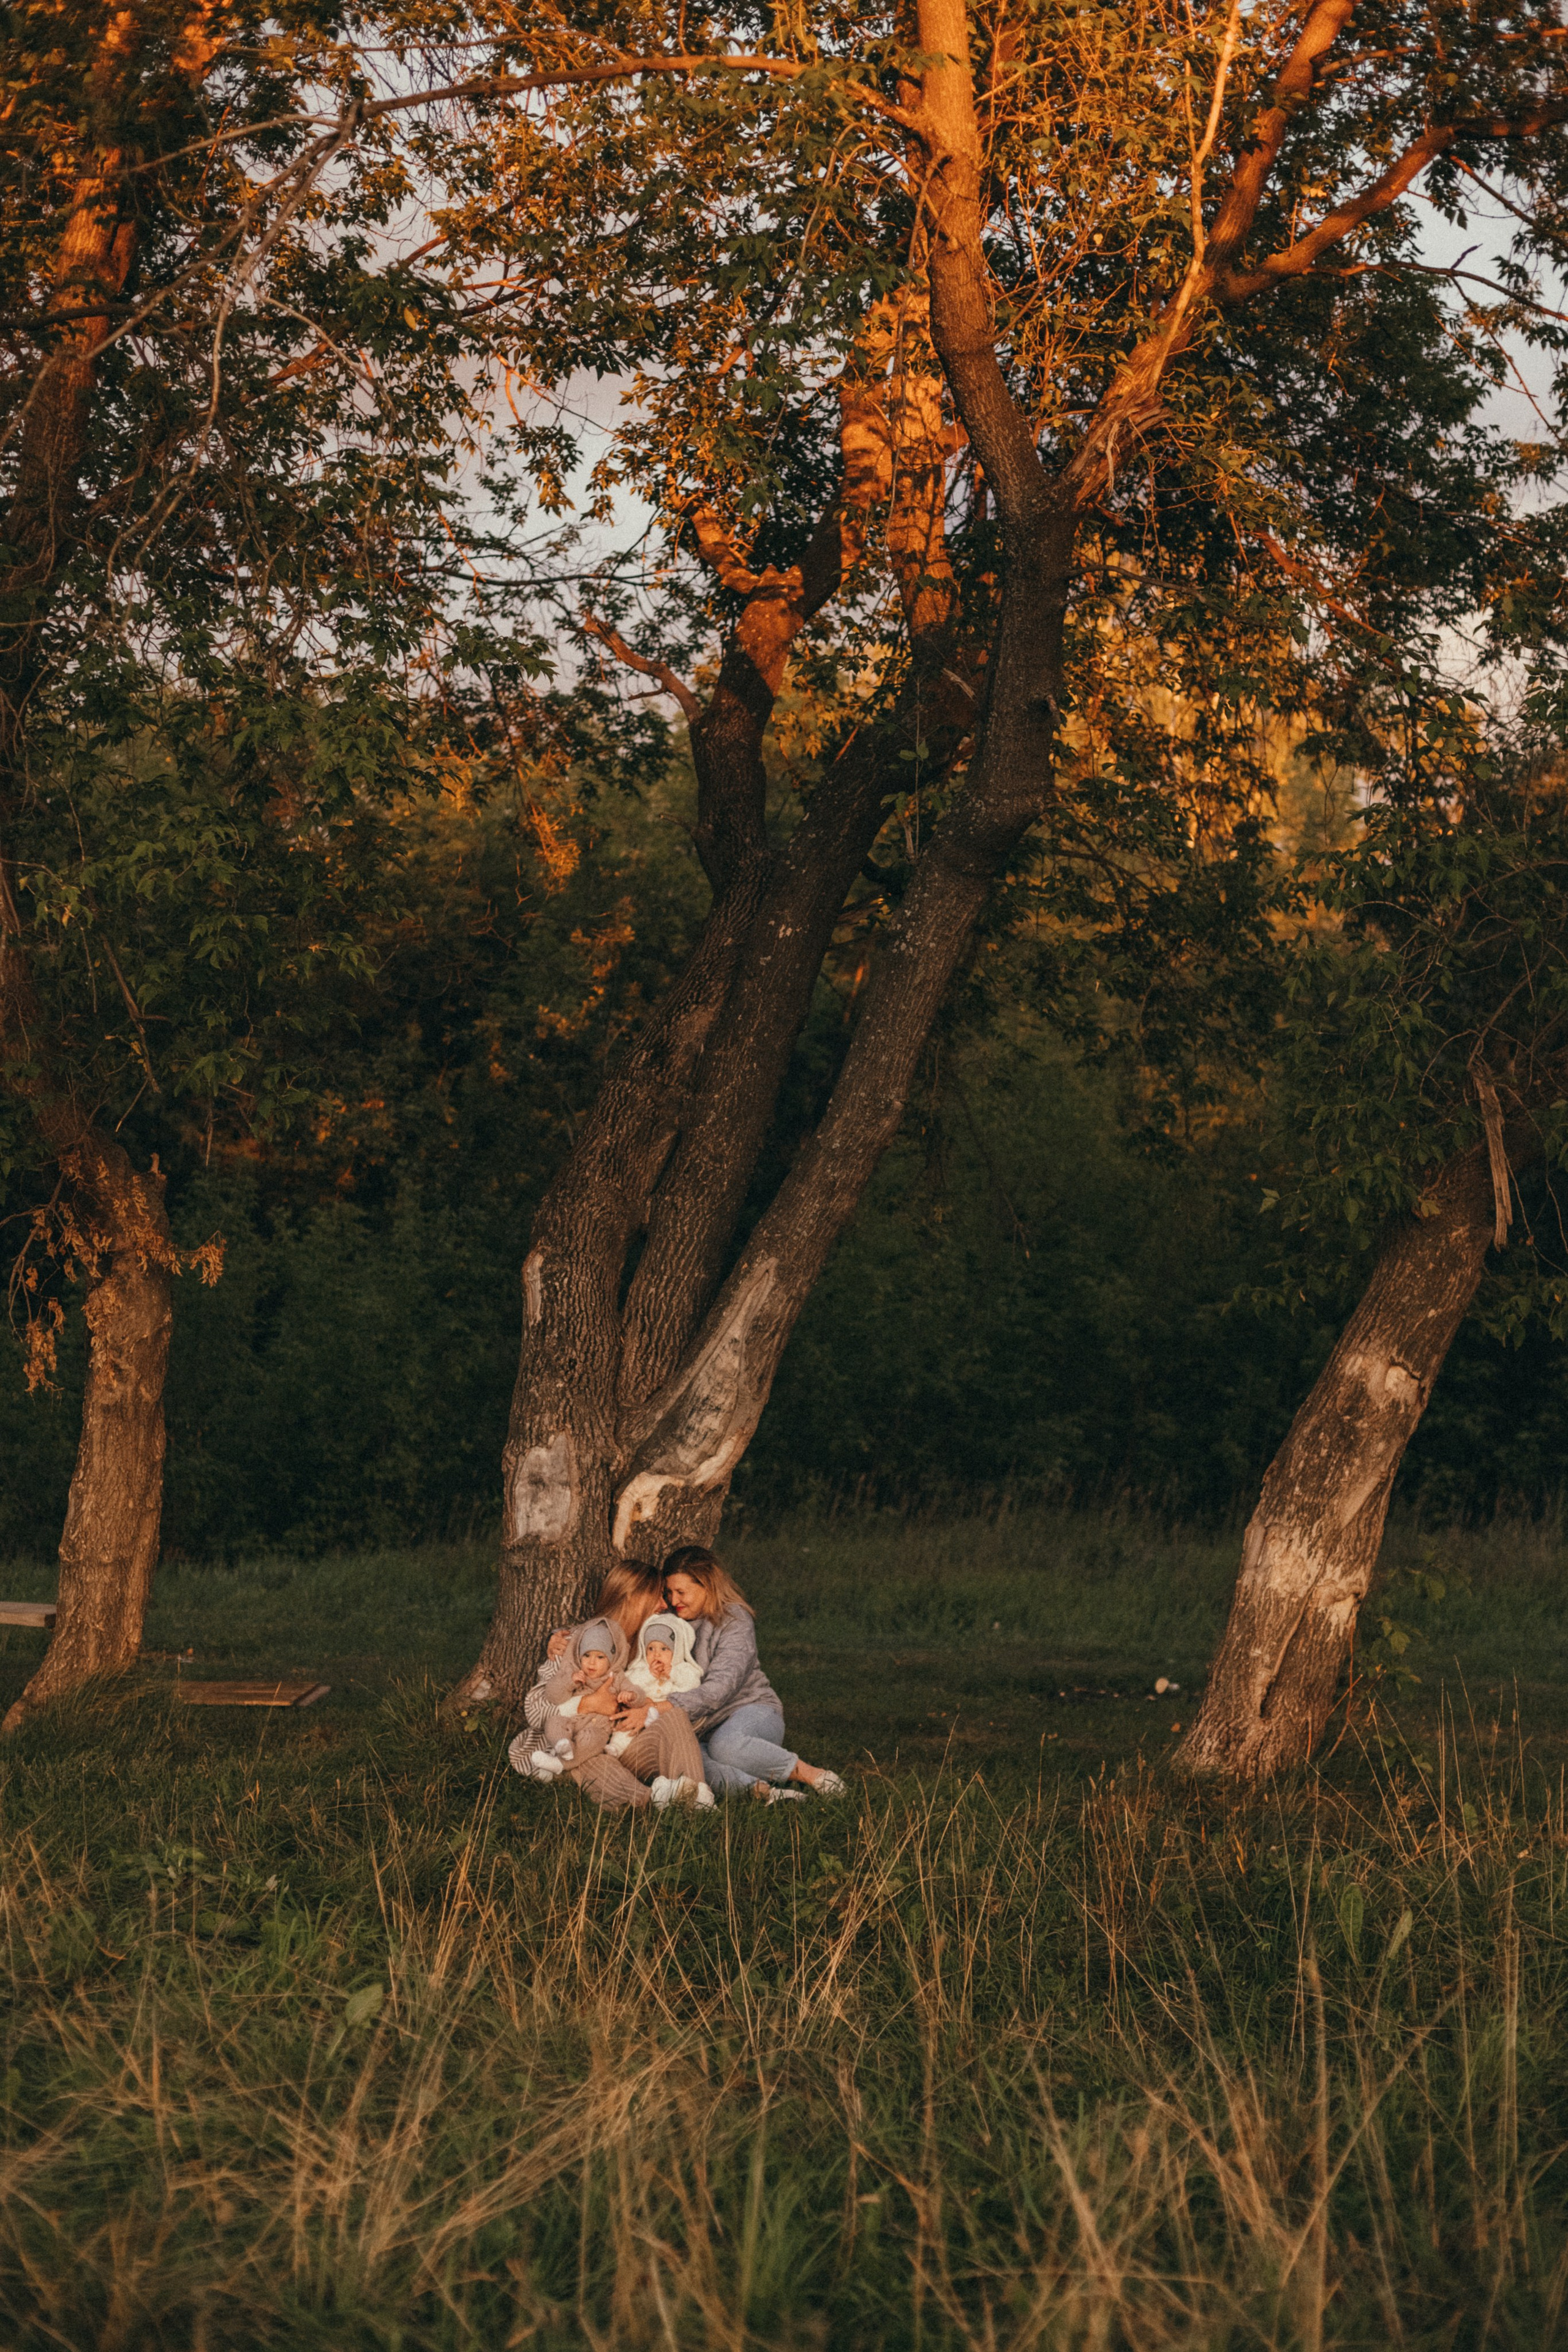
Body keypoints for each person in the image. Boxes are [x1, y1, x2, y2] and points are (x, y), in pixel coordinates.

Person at [509, 1566, 714, 1812]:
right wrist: (588, 1704)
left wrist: (648, 1709)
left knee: (676, 1715)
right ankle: (652, 1802)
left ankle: (697, 1799)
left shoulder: (651, 1646)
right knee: (590, 1761)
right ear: (632, 1598)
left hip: (626, 1744)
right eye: (657, 1596)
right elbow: (535, 1710)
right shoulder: (576, 1643)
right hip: (579, 1745)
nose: (664, 1604)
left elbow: (683, 1695)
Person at [660, 1544, 845, 1802]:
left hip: (751, 1711)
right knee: (692, 1766)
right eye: (669, 1592)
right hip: (703, 1727)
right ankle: (765, 1794)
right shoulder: (669, 1624)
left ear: (708, 1586)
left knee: (725, 1747)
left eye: (681, 1592)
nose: (674, 1600)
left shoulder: (734, 1620)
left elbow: (720, 1689)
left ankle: (813, 1775)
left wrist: (662, 1706)